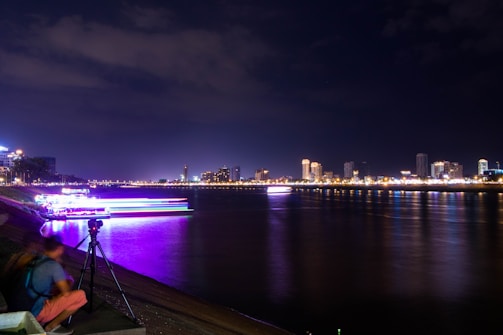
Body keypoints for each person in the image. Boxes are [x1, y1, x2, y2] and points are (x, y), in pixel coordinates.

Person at [23, 235, 87, 334]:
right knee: (80, 295)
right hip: (36, 311)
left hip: (24, 304)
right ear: (60, 248)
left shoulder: (35, 259)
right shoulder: (54, 266)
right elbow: (66, 292)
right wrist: (62, 271)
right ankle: (50, 327)